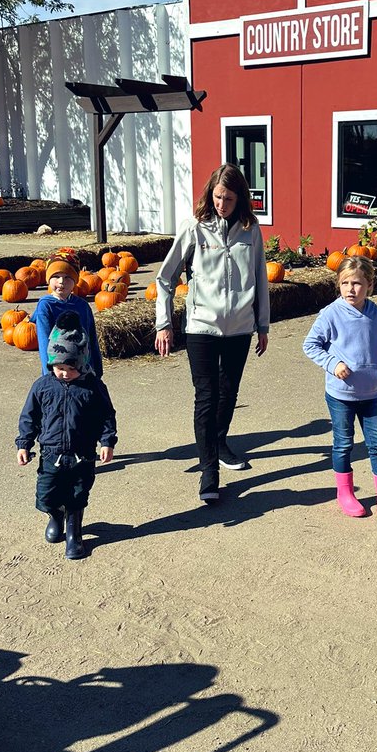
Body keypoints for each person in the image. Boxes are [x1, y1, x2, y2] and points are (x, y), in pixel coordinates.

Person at [154, 163, 269, 503]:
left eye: (229, 199)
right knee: (206, 396)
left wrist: (262, 325)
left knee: (228, 392)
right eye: (218, 197)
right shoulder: (194, 227)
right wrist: (163, 323)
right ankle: (209, 472)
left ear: (240, 199)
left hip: (240, 328)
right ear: (210, 194)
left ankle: (219, 443)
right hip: (202, 326)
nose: (222, 204)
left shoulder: (251, 229)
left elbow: (260, 277)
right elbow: (165, 278)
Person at [302, 254, 377, 519]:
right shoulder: (331, 314)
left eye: (356, 283)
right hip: (340, 395)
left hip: (371, 394)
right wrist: (333, 364)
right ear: (338, 284)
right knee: (343, 444)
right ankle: (345, 493)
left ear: (370, 285)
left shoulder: (376, 313)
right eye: (345, 283)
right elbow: (310, 345)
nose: (350, 289)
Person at [16, 313, 116, 560]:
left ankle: (74, 530)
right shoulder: (42, 386)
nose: (64, 373)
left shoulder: (93, 387)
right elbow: (29, 417)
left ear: (82, 364)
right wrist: (24, 444)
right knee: (46, 494)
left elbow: (106, 415)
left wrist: (107, 441)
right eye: (59, 368)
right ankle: (55, 515)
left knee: (78, 494)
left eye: (71, 369)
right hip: (51, 453)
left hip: (82, 454)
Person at [32, 251, 102, 378]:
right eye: (56, 276)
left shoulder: (82, 306)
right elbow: (44, 341)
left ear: (75, 280)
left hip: (83, 370)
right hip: (58, 372)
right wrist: (49, 374)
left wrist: (97, 369)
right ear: (48, 279)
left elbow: (91, 337)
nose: (61, 281)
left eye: (67, 277)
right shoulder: (46, 305)